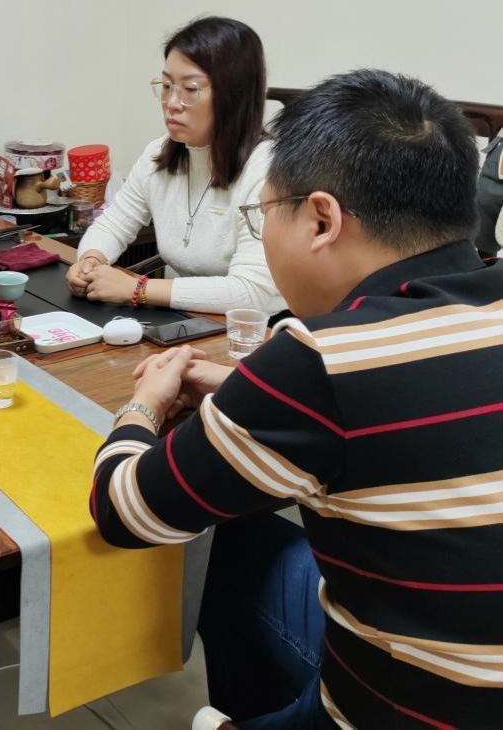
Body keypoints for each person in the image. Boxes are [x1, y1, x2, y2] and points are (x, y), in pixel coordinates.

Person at [89, 69, 503, 729]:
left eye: (262, 215)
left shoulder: (320, 360)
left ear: (321, 220)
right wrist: (252, 398)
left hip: (412, 712)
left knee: (222, 538)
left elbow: (125, 513)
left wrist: (143, 407)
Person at [66, 16, 284, 315]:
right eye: (167, 86)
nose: (171, 102)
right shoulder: (158, 154)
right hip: (187, 319)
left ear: (234, 95)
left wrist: (137, 289)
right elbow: (114, 223)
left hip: (255, 328)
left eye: (190, 89)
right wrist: (91, 260)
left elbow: (251, 292)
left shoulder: (269, 171)